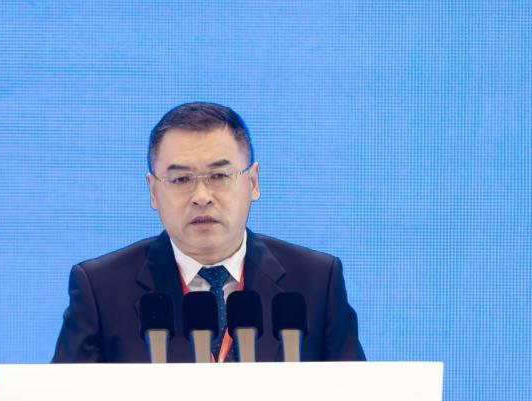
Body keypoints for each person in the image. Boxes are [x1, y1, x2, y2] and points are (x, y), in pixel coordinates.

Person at [52, 102, 365, 362]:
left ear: (253, 182)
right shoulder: (101, 289)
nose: (201, 196)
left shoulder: (316, 281)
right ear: (153, 191)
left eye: (219, 176)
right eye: (180, 179)